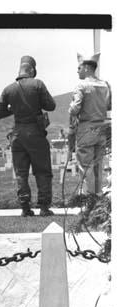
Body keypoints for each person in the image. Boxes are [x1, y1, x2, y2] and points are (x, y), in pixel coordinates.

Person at [0, 55, 56, 216]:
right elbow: (51, 105)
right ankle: (44, 207)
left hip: (17, 135)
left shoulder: (8, 89)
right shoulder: (38, 84)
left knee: (21, 173)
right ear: (31, 70)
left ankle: (25, 207)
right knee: (43, 171)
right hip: (36, 133)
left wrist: (14, 108)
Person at [67, 53, 111, 200]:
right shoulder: (105, 85)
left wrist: (71, 106)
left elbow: (75, 109)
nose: (77, 71)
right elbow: (109, 105)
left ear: (86, 67)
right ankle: (98, 196)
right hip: (102, 127)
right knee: (98, 164)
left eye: (79, 68)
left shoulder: (81, 85)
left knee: (85, 166)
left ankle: (89, 198)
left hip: (87, 128)